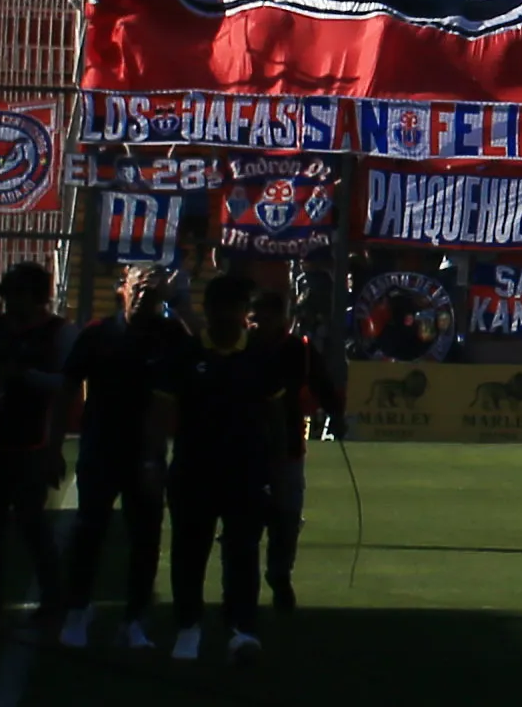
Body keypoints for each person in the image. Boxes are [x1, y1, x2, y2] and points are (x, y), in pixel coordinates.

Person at [167, 271, 300, 663]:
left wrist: (277, 475)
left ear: (244, 313)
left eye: (234, 308)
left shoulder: (261, 358)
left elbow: (276, 422)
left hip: (245, 474)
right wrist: (152, 460)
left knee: (242, 554)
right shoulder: (187, 355)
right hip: (193, 471)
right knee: (189, 553)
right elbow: (161, 411)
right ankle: (188, 627)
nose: (226, 316)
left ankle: (242, 631)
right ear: (207, 310)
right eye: (219, 308)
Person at [56, 262, 191, 650]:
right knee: (89, 531)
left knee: (145, 538)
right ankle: (78, 608)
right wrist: (53, 446)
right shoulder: (98, 334)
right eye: (139, 285)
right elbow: (68, 386)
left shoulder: (170, 335)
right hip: (101, 448)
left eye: (153, 288)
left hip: (147, 452)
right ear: (123, 289)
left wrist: (180, 306)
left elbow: (200, 357)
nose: (145, 293)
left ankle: (134, 619)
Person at [0, 259, 71, 618]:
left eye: (16, 295)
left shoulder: (57, 332)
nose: (9, 303)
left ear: (36, 298)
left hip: (32, 444)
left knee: (32, 525)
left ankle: (53, 599)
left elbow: (66, 384)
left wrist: (23, 376)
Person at [252, 268, 344, 612]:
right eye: (255, 317)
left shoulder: (299, 350)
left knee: (287, 518)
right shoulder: (242, 348)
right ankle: (244, 583)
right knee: (245, 520)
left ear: (282, 319)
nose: (260, 324)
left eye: (266, 317)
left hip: (289, 447)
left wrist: (335, 413)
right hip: (244, 447)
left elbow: (322, 384)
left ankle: (279, 575)